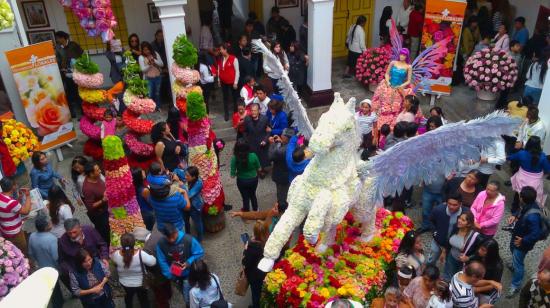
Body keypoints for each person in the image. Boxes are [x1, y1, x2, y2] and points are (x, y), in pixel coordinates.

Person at [506, 186, 544, 298]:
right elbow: (521, 210)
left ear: (522, 198)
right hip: (517, 236)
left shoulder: (532, 216)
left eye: (520, 195)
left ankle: (515, 285)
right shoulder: (529, 204)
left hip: (522, 243)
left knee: (519, 264)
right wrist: (515, 216)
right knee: (514, 253)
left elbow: (535, 234)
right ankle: (513, 265)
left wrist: (523, 240)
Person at [156, 223, 204, 306]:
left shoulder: (188, 240)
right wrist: (170, 275)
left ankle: (190, 304)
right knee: (182, 290)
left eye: (173, 237)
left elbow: (199, 252)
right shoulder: (161, 244)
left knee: (187, 295)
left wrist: (188, 262)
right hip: (174, 276)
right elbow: (162, 261)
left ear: (176, 232)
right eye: (168, 238)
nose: (171, 240)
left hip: (188, 274)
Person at [371, 48, 413, 129]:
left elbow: (408, 81)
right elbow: (386, 74)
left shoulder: (408, 66)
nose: (402, 56)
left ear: (407, 56)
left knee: (399, 104)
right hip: (389, 84)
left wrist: (401, 86)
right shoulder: (393, 62)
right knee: (381, 100)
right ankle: (380, 114)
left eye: (404, 55)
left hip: (399, 87)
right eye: (401, 54)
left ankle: (395, 118)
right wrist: (388, 82)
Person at [28, 213, 63, 308]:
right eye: (50, 222)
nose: (51, 223)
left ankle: (58, 303)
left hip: (42, 267)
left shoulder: (32, 236)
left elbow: (31, 253)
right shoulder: (52, 239)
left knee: (53, 289)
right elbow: (56, 257)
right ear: (46, 227)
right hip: (54, 267)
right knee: (64, 280)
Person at [59, 218, 109, 285]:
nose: (72, 235)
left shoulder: (89, 230)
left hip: (96, 264)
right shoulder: (62, 241)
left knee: (104, 282)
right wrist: (71, 272)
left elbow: (102, 244)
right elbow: (62, 260)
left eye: (74, 232)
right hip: (80, 271)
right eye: (69, 233)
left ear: (80, 228)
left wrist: (104, 257)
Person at [112, 233, 156, 308]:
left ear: (121, 244)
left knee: (128, 300)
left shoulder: (116, 255)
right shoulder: (141, 254)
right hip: (141, 283)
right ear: (134, 243)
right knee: (143, 300)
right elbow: (153, 262)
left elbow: (114, 263)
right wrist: (151, 255)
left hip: (125, 284)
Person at [508, 136, 550, 213]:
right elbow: (548, 169)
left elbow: (510, 157)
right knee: (532, 199)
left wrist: (515, 148)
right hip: (536, 182)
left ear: (528, 143)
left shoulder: (521, 153)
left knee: (518, 195)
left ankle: (514, 211)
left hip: (521, 179)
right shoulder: (543, 156)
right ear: (539, 145)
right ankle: (527, 212)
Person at [427, 192, 468, 265]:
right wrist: (435, 233)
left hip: (453, 245)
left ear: (460, 204)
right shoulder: (438, 210)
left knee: (449, 263)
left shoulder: (466, 213)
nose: (451, 207)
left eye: (455, 205)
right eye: (449, 204)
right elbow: (431, 222)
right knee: (432, 259)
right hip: (438, 242)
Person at [147, 163, 190, 231]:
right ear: (167, 187)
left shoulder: (151, 197)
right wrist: (184, 191)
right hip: (177, 229)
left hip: (162, 229)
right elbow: (187, 207)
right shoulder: (176, 196)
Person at [442, 212, 482, 280]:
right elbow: (448, 240)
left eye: (463, 220)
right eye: (459, 218)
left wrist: (468, 258)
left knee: (458, 278)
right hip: (451, 256)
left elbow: (479, 252)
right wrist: (443, 252)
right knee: (447, 275)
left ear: (469, 224)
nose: (459, 221)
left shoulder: (474, 236)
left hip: (462, 263)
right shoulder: (456, 227)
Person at [55, 31, 83, 118]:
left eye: (58, 38)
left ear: (63, 38)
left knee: (80, 93)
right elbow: (58, 60)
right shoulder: (58, 48)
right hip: (66, 74)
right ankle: (73, 114)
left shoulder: (73, 45)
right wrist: (62, 68)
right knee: (70, 94)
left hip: (77, 72)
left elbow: (82, 55)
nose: (57, 40)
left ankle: (83, 113)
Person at [81, 162, 110, 243]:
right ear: (91, 174)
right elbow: (89, 207)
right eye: (97, 170)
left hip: (107, 208)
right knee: (106, 234)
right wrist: (102, 200)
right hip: (100, 215)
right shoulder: (87, 188)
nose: (100, 171)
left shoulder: (97, 177)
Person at [0, 178, 31, 253]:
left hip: (5, 230)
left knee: (13, 249)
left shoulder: (2, 197)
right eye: (15, 184)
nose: (17, 185)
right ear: (13, 187)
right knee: (23, 250)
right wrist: (28, 196)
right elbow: (26, 211)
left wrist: (19, 199)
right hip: (15, 233)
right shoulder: (11, 202)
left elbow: (11, 208)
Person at [243, 220, 269, 308]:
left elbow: (245, 262)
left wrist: (245, 249)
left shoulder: (252, 248)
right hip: (263, 273)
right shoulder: (267, 243)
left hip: (254, 276)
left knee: (255, 294)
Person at [469, 239, 504, 305]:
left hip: (484, 293)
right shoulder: (479, 255)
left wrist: (475, 289)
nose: (479, 251)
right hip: (472, 286)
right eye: (480, 248)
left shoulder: (497, 266)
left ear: (491, 253)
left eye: (483, 250)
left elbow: (493, 285)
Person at [231, 140, 260, 212]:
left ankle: (246, 212)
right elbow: (259, 168)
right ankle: (256, 210)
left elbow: (232, 175)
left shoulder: (235, 158)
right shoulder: (253, 155)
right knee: (253, 194)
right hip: (253, 179)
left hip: (241, 180)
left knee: (245, 197)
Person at [268, 129, 294, 210]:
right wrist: (280, 142)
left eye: (283, 135)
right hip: (289, 174)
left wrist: (272, 144)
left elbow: (271, 156)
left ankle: (282, 208)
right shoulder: (292, 144)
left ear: (287, 137)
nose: (281, 135)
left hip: (281, 175)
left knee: (281, 193)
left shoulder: (282, 151)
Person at [243, 103, 270, 175]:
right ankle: (254, 171)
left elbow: (269, 132)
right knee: (252, 158)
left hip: (261, 142)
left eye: (255, 111)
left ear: (259, 111)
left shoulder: (265, 119)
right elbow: (245, 131)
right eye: (252, 110)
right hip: (251, 142)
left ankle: (262, 170)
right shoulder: (247, 119)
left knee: (262, 158)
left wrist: (265, 140)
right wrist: (246, 141)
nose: (253, 112)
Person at [217, 43, 240, 121]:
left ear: (225, 50)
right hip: (223, 82)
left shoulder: (234, 59)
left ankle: (235, 114)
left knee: (234, 98)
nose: (220, 51)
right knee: (225, 98)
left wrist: (235, 82)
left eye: (221, 49)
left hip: (232, 82)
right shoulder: (220, 59)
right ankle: (226, 114)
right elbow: (219, 69)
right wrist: (219, 80)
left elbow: (237, 71)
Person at [139, 41, 164, 110]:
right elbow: (143, 69)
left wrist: (154, 60)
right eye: (145, 50)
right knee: (150, 94)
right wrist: (149, 65)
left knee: (157, 93)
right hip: (148, 78)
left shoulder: (155, 53)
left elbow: (162, 64)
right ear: (142, 50)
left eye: (148, 49)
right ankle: (151, 108)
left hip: (158, 77)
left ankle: (158, 107)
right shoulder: (141, 57)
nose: (147, 51)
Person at [183, 166, 204, 242]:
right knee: (186, 222)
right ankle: (188, 236)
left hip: (194, 207)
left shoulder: (199, 183)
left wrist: (181, 185)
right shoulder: (187, 180)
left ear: (194, 177)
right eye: (185, 175)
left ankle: (200, 238)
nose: (185, 177)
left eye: (187, 176)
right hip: (185, 206)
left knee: (198, 222)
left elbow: (188, 195)